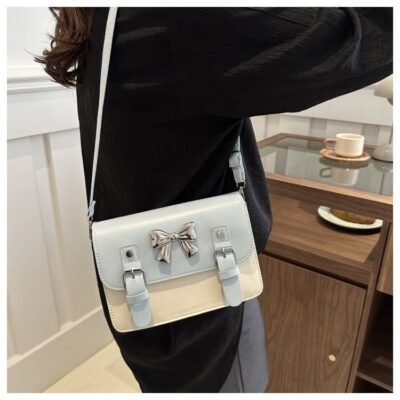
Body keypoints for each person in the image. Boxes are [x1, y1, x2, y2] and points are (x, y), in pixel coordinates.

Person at [35, 7, 392, 393]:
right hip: (206, 313)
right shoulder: (181, 16)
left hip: (141, 299)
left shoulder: (106, 15)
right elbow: (358, 39)